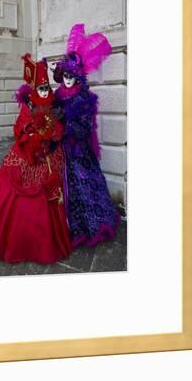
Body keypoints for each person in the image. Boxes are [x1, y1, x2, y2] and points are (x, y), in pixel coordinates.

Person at [0, 53, 72, 264]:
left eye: (47, 88)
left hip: (49, 159)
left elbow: (58, 130)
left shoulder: (55, 108)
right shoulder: (27, 109)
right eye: (41, 89)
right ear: (35, 90)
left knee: (52, 195)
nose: (45, 92)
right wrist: (34, 136)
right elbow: (20, 131)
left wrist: (52, 134)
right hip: (28, 158)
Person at [53, 23, 121, 248]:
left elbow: (84, 127)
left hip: (77, 150)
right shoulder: (58, 94)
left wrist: (67, 123)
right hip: (58, 149)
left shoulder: (85, 98)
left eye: (72, 75)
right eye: (66, 75)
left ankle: (86, 226)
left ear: (78, 76)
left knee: (83, 185)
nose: (68, 79)